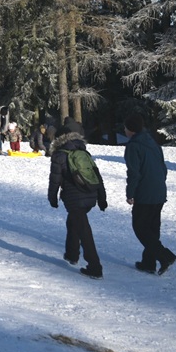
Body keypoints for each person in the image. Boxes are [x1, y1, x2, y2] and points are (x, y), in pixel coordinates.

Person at [48, 117, 108, 279]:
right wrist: (102, 198)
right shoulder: (83, 152)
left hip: (74, 198)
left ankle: (95, 266)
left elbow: (55, 180)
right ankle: (72, 254)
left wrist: (52, 197)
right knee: (74, 221)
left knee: (83, 229)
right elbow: (97, 175)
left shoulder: (59, 155)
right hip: (90, 195)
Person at [124, 113, 176, 275]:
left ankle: (165, 256)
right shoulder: (152, 142)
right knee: (152, 228)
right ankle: (148, 263)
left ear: (130, 129)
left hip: (145, 193)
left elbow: (134, 173)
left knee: (140, 227)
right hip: (159, 190)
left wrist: (130, 193)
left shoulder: (134, 146)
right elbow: (163, 167)